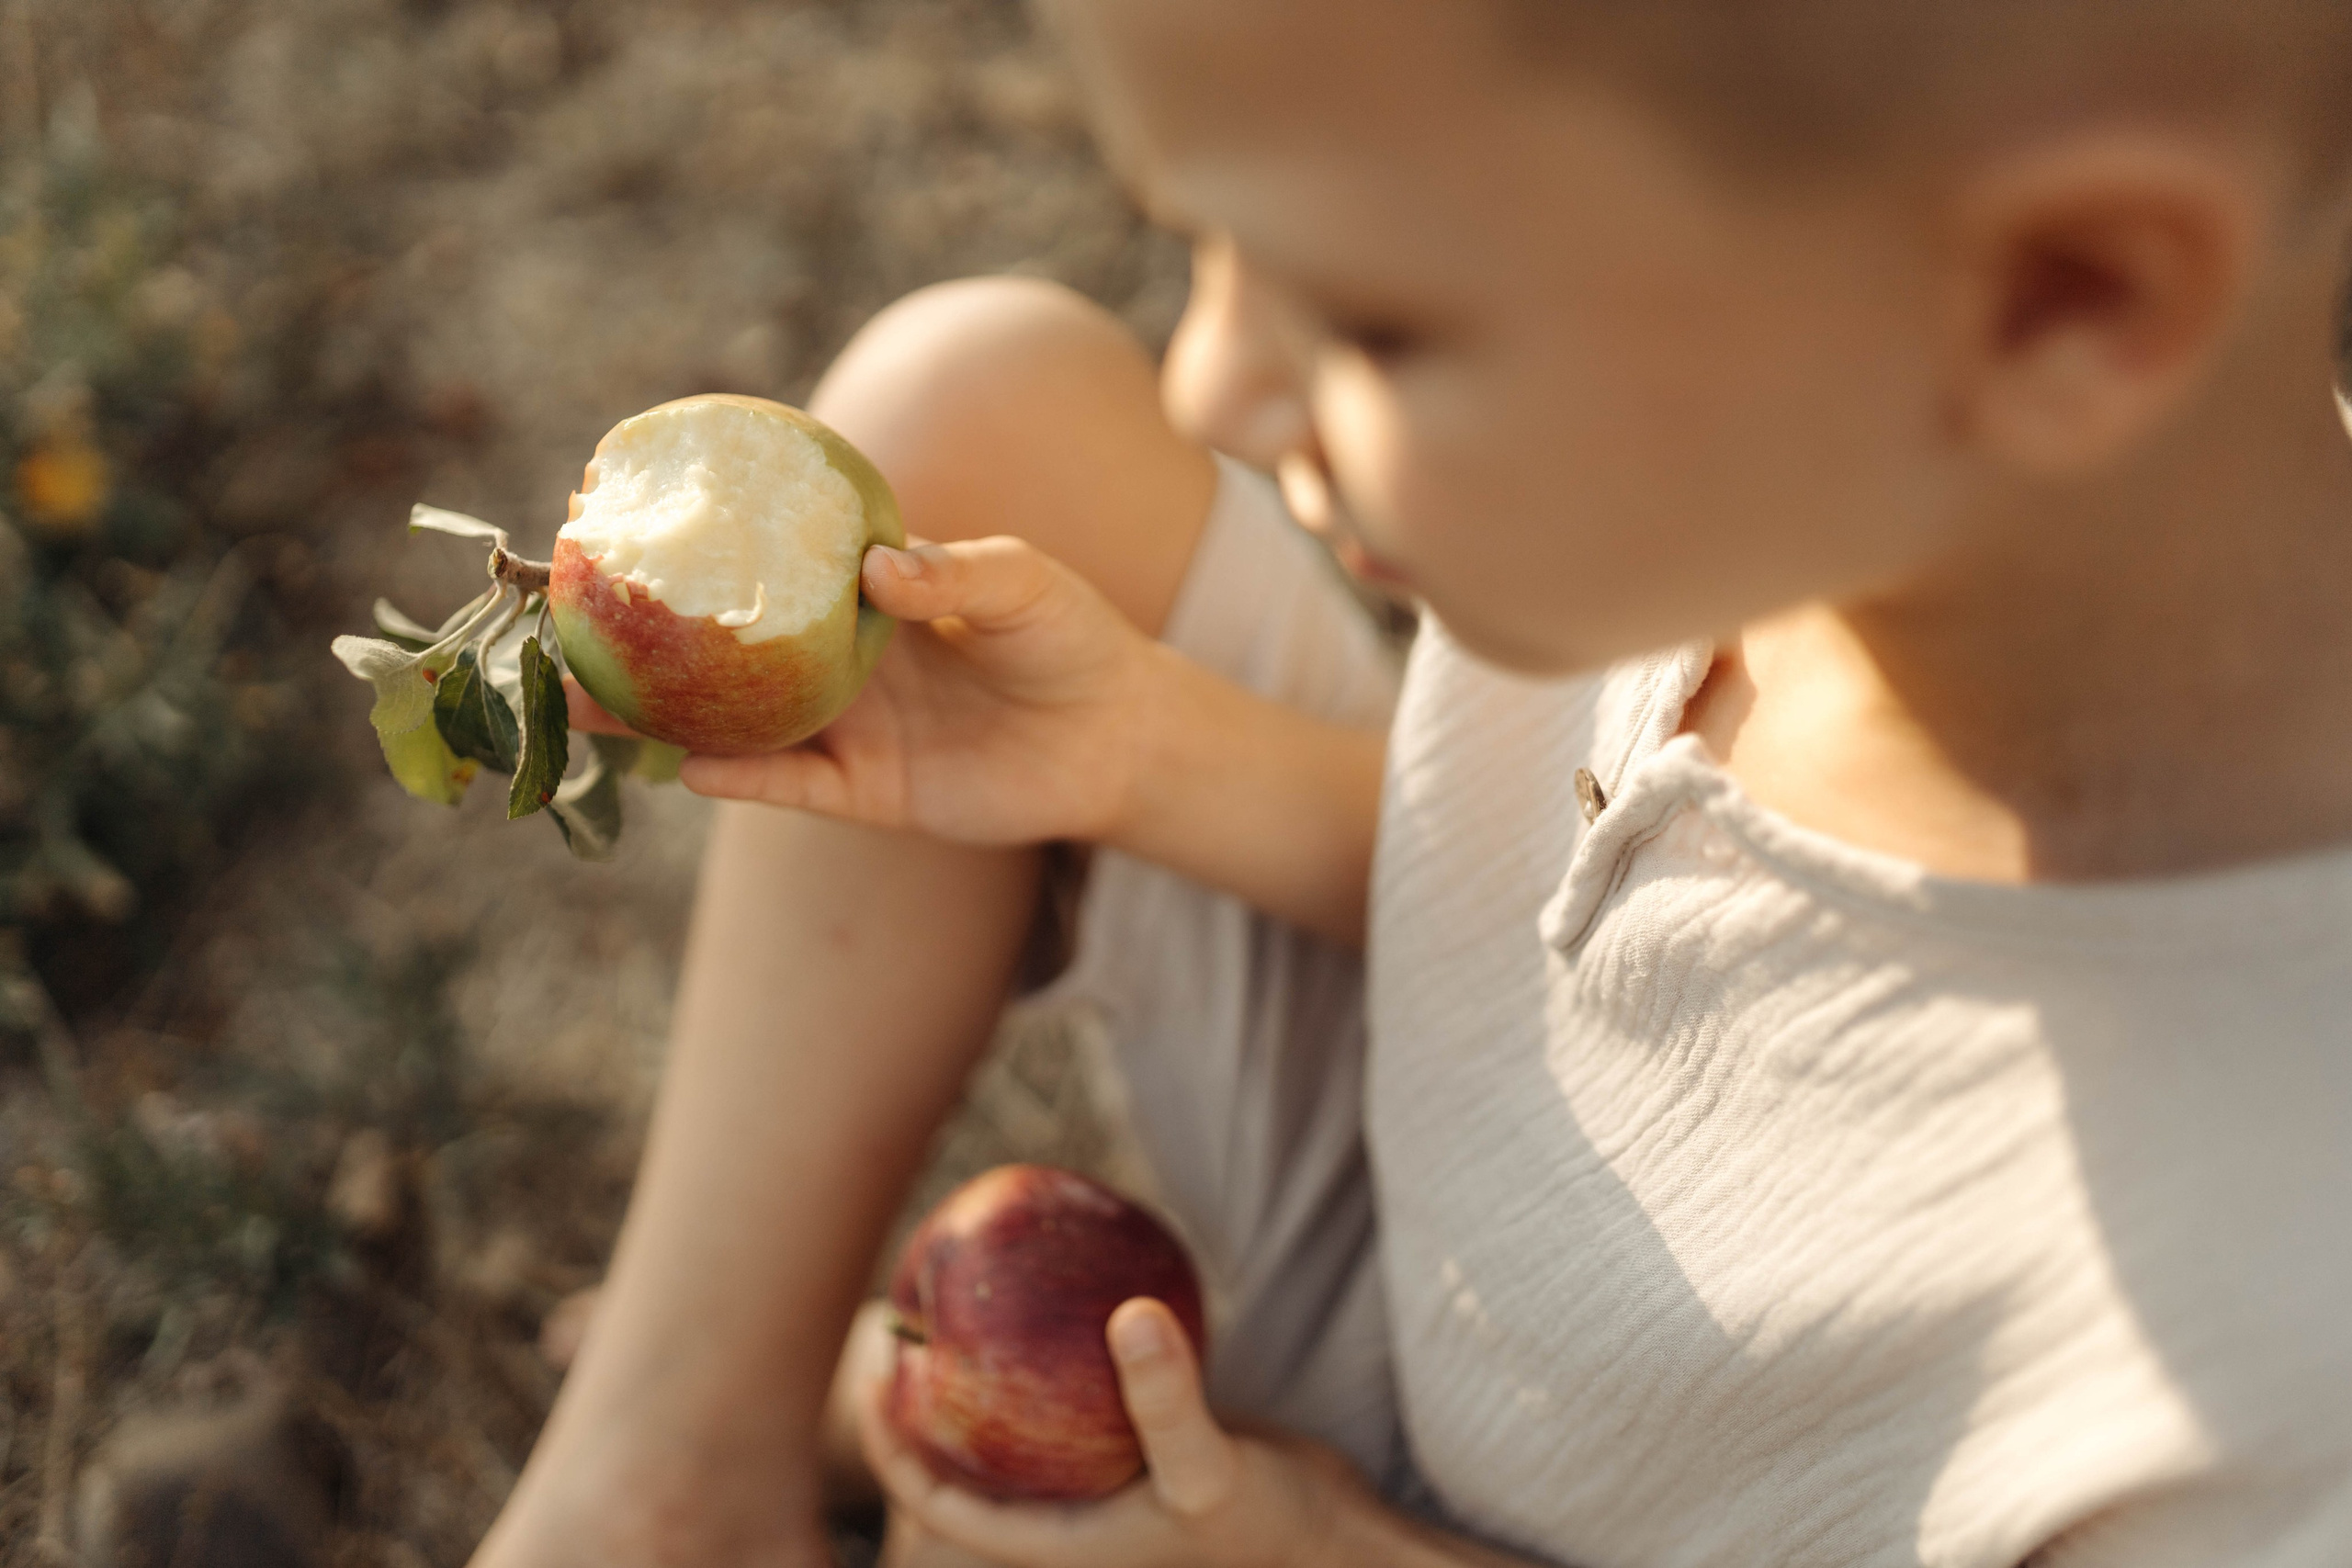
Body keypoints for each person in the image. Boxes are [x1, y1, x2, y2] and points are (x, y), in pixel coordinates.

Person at [472, 1, 2352, 1564]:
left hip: (1473, 1525)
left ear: (2064, 303)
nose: (1211, 385)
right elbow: (1562, 928)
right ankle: (674, 1472)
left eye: (1373, 324)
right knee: (978, 407)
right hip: (1437, 1201)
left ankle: (946, 1416)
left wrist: (1313, 1542)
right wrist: (1138, 748)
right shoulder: (1833, 475)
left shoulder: (2266, 1358)